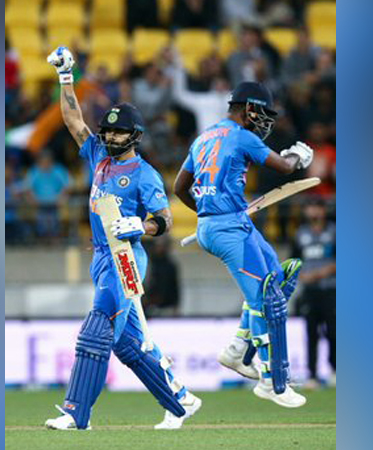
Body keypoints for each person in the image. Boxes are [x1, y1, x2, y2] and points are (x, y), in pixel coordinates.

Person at [44, 46, 201, 431]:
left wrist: (139, 227)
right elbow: (72, 119)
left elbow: (163, 220)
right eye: (108, 130)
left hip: (127, 258)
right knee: (127, 344)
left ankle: (76, 413)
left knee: (97, 328)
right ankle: (180, 402)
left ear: (135, 135)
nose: (111, 136)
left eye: (118, 131)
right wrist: (67, 76)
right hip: (101, 257)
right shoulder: (98, 155)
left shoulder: (145, 174)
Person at [173, 81, 313, 407]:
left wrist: (207, 213)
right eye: (262, 113)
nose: (265, 121)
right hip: (229, 227)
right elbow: (284, 167)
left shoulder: (204, 137)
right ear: (248, 108)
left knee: (276, 280)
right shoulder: (241, 135)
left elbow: (181, 187)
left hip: (230, 222)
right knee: (268, 300)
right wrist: (298, 154)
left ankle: (237, 351)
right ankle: (272, 381)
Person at [292, 197, 336, 388]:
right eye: (310, 207)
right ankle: (312, 375)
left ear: (324, 210)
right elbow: (294, 261)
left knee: (334, 332)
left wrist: (321, 273)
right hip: (309, 291)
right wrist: (301, 276)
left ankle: (335, 371)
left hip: (331, 289)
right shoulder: (300, 234)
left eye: (317, 206)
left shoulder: (334, 231)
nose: (314, 212)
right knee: (311, 333)